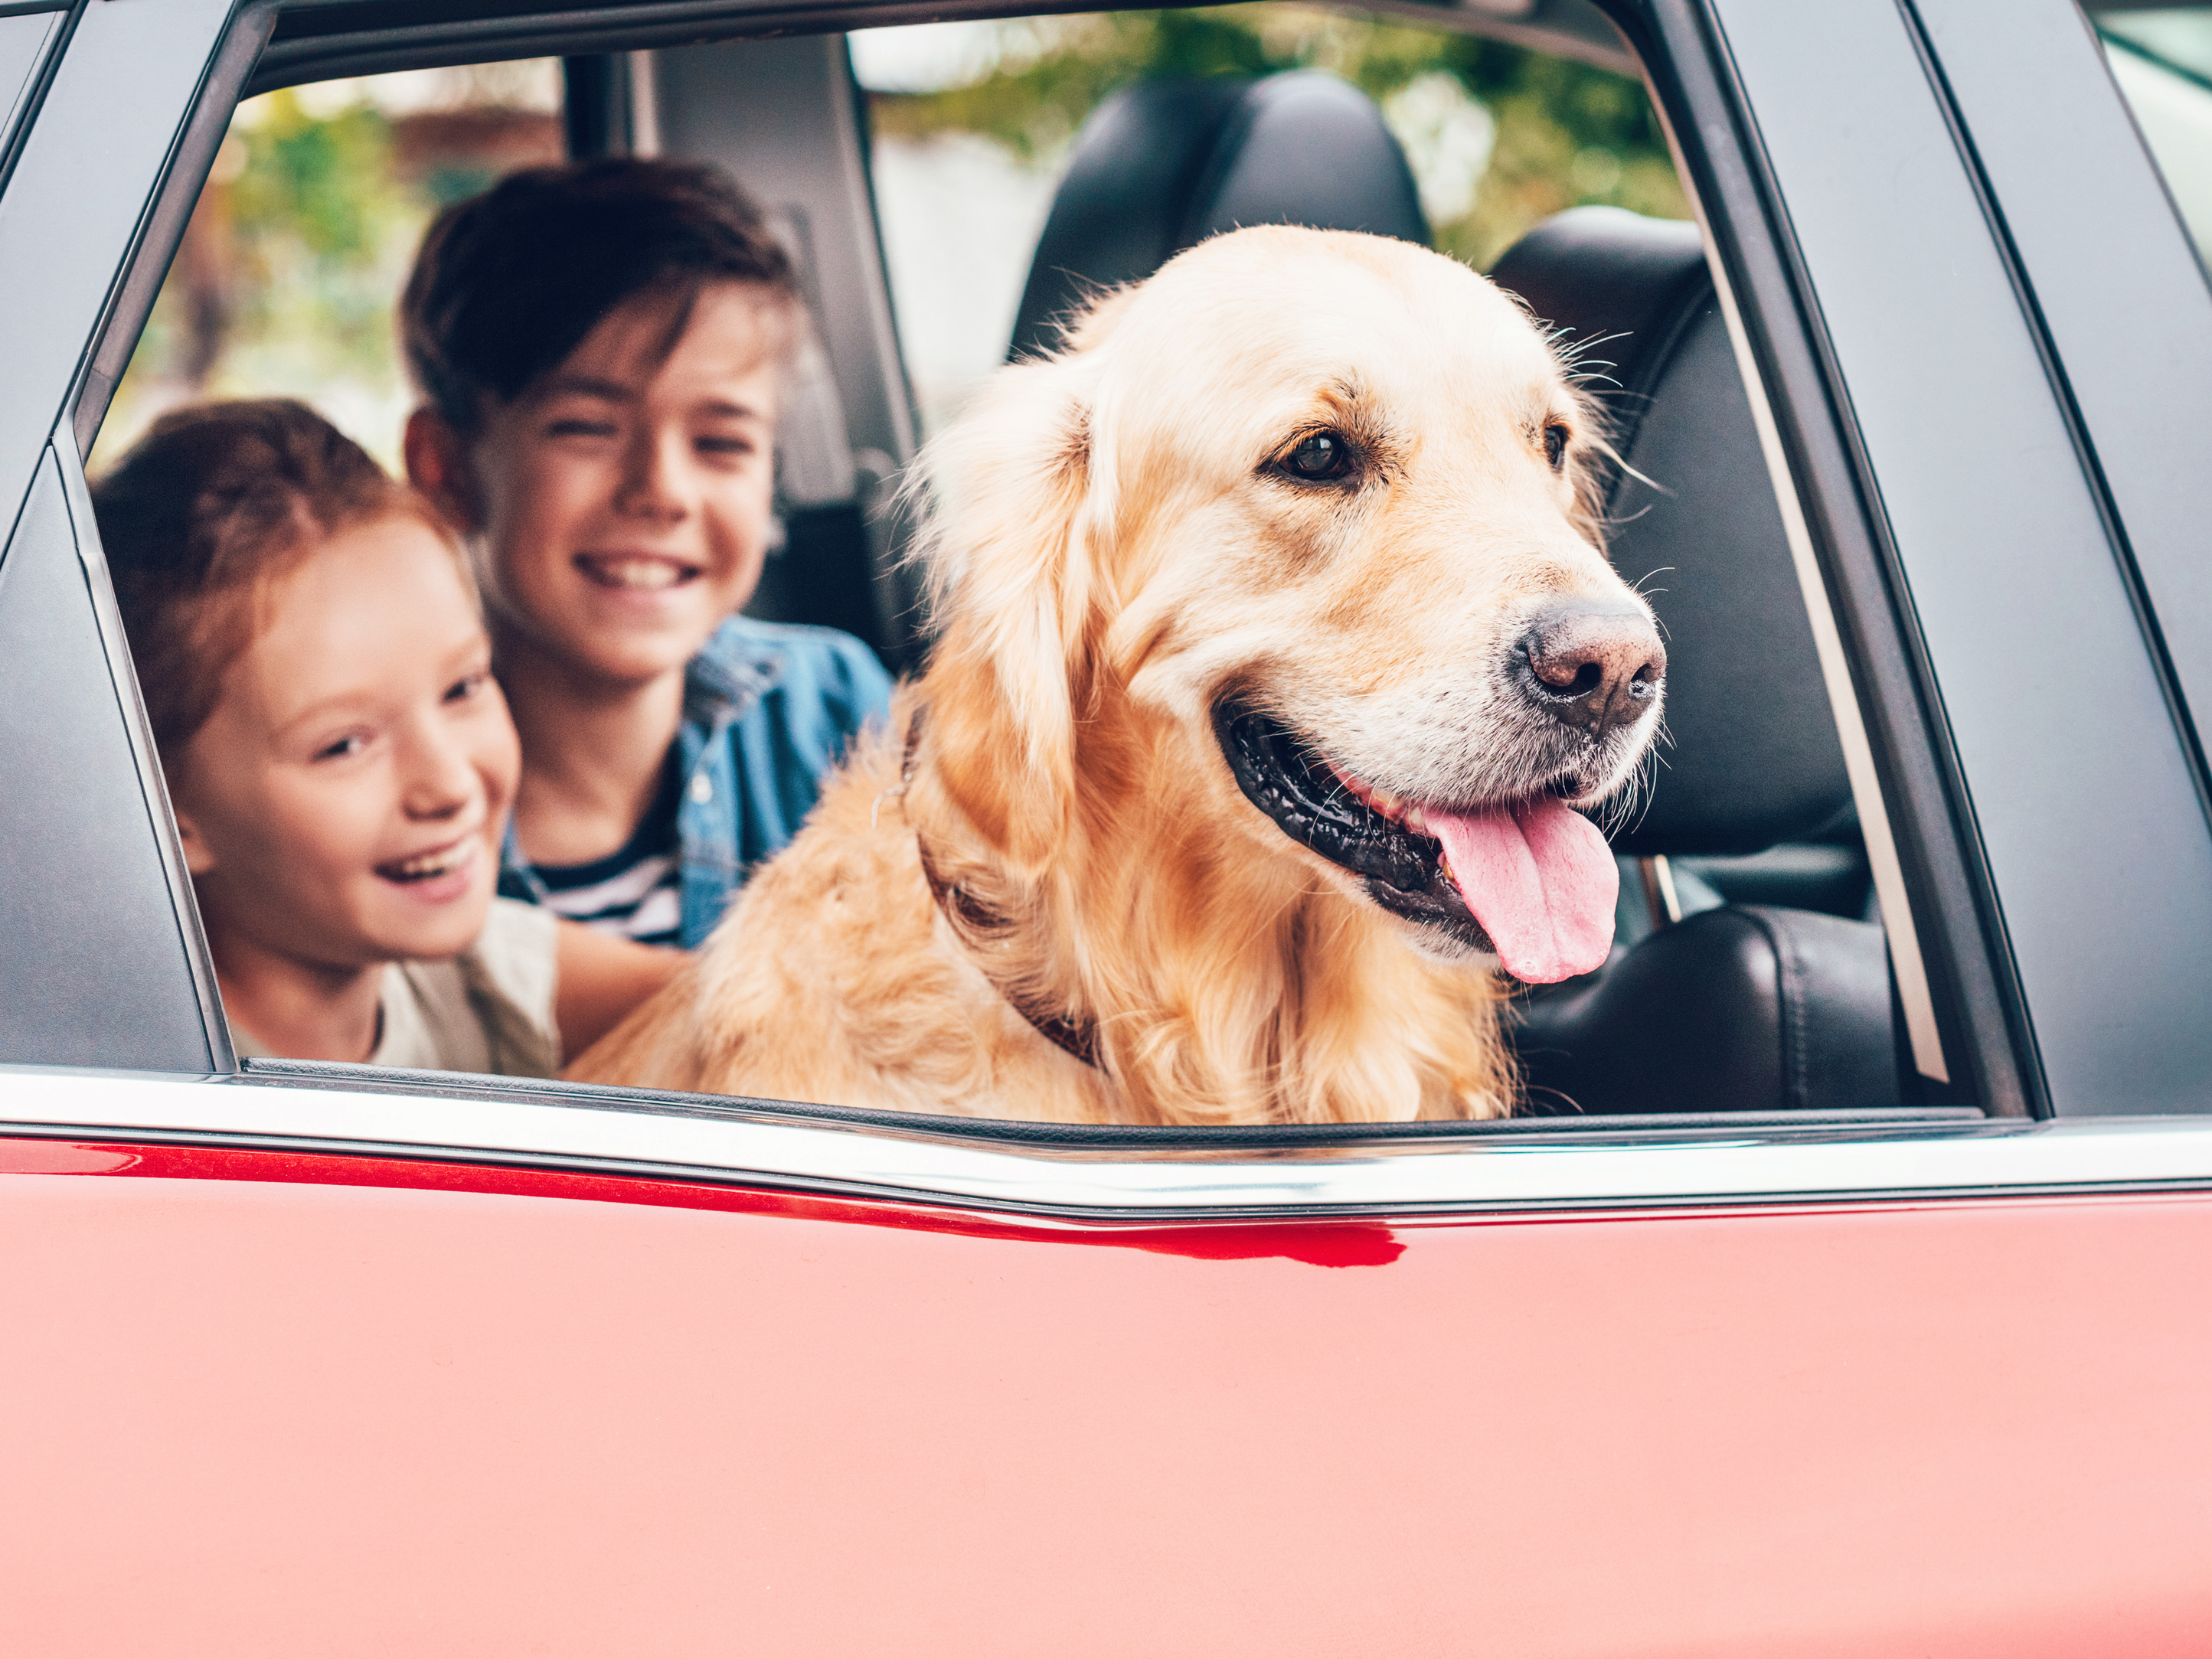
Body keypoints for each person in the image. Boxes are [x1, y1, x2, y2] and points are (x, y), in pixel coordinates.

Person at [96, 398, 681, 1073]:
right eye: (344, 745)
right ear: (166, 809)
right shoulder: (143, 1091)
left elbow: (739, 1006)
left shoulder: (472, 969)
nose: (450, 784)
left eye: (463, 688)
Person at [397, 158, 894, 950]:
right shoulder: (386, 811)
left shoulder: (837, 714)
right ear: (447, 468)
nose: (661, 491)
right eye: (587, 429)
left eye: (722, 441)